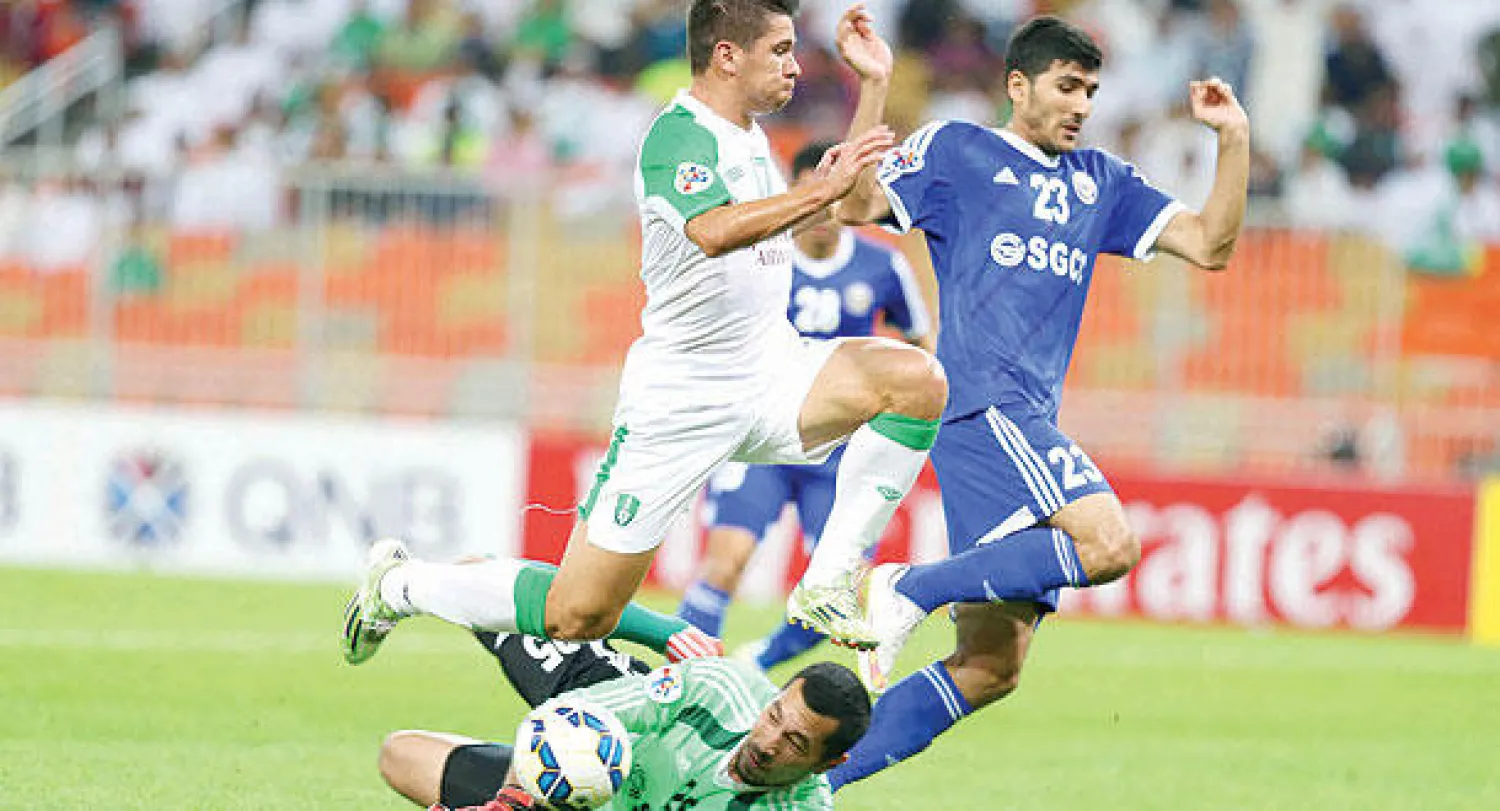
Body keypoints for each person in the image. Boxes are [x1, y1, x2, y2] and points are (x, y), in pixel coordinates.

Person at [341, 0, 946, 665]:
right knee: (577, 613)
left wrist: (876, 86)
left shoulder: (747, 136)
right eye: (780, 50)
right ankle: (402, 583)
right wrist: (814, 192)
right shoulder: (679, 134)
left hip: (772, 373)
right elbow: (713, 230)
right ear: (726, 55)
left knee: (915, 381)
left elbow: (845, 202)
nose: (795, 67)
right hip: (682, 399)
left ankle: (830, 580)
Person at [826, 15, 1251, 788]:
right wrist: (876, 86)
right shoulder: (959, 149)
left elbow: (1210, 245)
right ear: (1018, 85)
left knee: (991, 667)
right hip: (984, 403)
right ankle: (908, 585)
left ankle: (810, 788)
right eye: (1066, 86)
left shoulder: (1102, 181)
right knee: (1110, 542)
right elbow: (853, 206)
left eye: (1090, 89)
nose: (1081, 103)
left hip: (1023, 419)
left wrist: (1233, 137)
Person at [676, 138, 935, 670]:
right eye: (809, 196)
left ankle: (753, 665)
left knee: (838, 587)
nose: (821, 213)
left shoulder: (882, 266)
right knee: (723, 565)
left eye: (831, 198)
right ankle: (684, 681)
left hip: (840, 452)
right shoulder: (764, 258)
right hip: (762, 437)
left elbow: (919, 348)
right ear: (794, 195)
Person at [377, 628, 871, 810]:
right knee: (399, 755)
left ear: (827, 765)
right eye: (773, 717)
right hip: (582, 787)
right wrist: (512, 799)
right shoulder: (719, 688)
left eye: (795, 744)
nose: (767, 742)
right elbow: (574, 713)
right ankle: (416, 582)